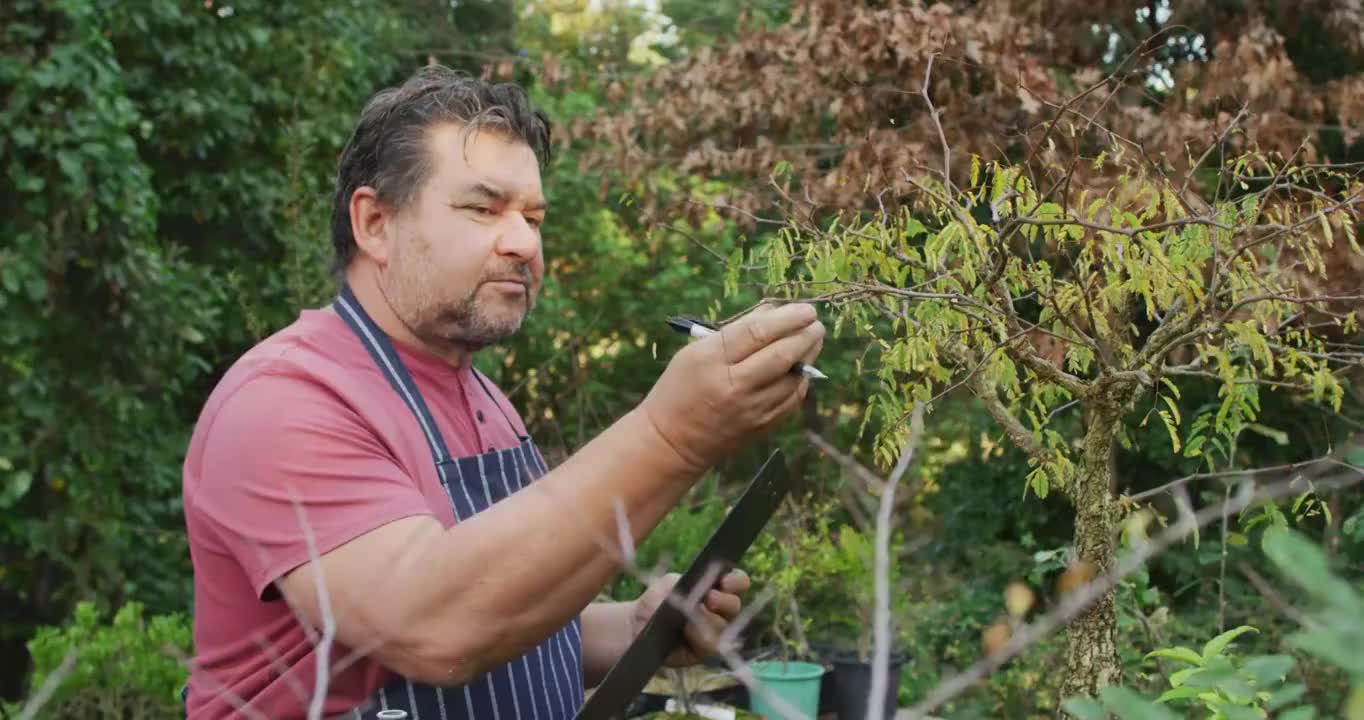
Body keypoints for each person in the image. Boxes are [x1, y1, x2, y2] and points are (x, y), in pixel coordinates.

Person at [179, 63, 826, 719]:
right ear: (375, 223)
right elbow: (437, 627)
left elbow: (509, 619)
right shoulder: (285, 402)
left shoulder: (485, 398)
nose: (523, 242)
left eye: (533, 217)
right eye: (483, 208)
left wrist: (634, 628)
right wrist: (674, 433)